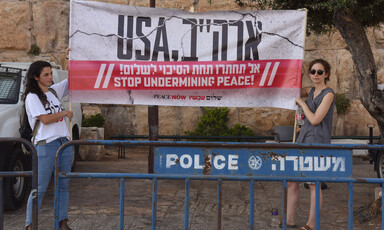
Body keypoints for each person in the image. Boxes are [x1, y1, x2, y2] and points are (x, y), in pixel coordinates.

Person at [285, 59, 335, 230]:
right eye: (313, 71)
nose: (316, 75)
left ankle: (311, 224)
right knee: (292, 181)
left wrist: (302, 103)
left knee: (314, 183)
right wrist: (295, 73)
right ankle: (289, 220)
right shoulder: (312, 91)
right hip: (303, 139)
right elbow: (294, 90)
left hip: (317, 141)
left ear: (326, 74)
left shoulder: (328, 94)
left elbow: (315, 119)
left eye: (320, 72)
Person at [24, 61, 73, 230]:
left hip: (64, 143)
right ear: (36, 77)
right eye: (46, 74)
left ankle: (62, 222)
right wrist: (64, 113)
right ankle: (31, 225)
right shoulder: (32, 97)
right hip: (46, 144)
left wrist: (71, 58)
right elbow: (44, 119)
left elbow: (71, 80)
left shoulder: (53, 91)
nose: (50, 77)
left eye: (51, 73)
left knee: (64, 184)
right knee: (40, 187)